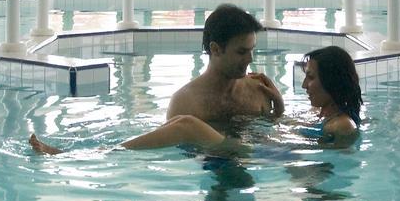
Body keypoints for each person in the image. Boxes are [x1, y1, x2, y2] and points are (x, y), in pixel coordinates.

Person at [28, 44, 361, 154]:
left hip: (262, 155)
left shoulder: (342, 125)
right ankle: (99, 151)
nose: (305, 84)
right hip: (261, 150)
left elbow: (308, 157)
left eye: (311, 77)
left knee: (186, 124)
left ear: (333, 80)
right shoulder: (326, 117)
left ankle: (84, 155)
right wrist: (280, 109)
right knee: (177, 122)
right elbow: (297, 137)